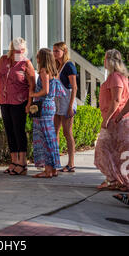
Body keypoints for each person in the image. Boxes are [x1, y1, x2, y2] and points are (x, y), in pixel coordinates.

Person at [0, 38, 36, 175]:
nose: (20, 52)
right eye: (17, 50)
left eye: (22, 50)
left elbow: (32, 85)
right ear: (12, 49)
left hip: (20, 101)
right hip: (5, 100)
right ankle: (13, 161)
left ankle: (22, 163)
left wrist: (29, 103)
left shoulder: (26, 63)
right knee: (9, 130)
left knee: (19, 131)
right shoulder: (3, 60)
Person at [94, 49, 129, 192]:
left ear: (109, 60)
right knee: (115, 152)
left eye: (105, 59)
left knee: (103, 150)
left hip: (115, 121)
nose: (104, 62)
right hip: (119, 119)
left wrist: (108, 118)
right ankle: (117, 180)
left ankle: (114, 180)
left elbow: (116, 99)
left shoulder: (115, 77)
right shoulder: (122, 77)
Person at [29, 48, 66, 178]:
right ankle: (54, 168)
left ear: (43, 58)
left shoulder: (44, 71)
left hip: (43, 105)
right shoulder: (53, 72)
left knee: (44, 138)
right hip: (50, 106)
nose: (37, 58)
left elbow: (45, 90)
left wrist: (33, 94)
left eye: (38, 56)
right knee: (51, 137)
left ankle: (48, 170)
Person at [53, 42, 78, 173]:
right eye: (53, 51)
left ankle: (71, 163)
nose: (54, 53)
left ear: (64, 51)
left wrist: (70, 106)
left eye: (57, 51)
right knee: (55, 131)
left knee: (67, 132)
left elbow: (74, 87)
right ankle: (54, 161)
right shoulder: (57, 65)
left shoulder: (69, 66)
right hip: (57, 102)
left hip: (67, 101)